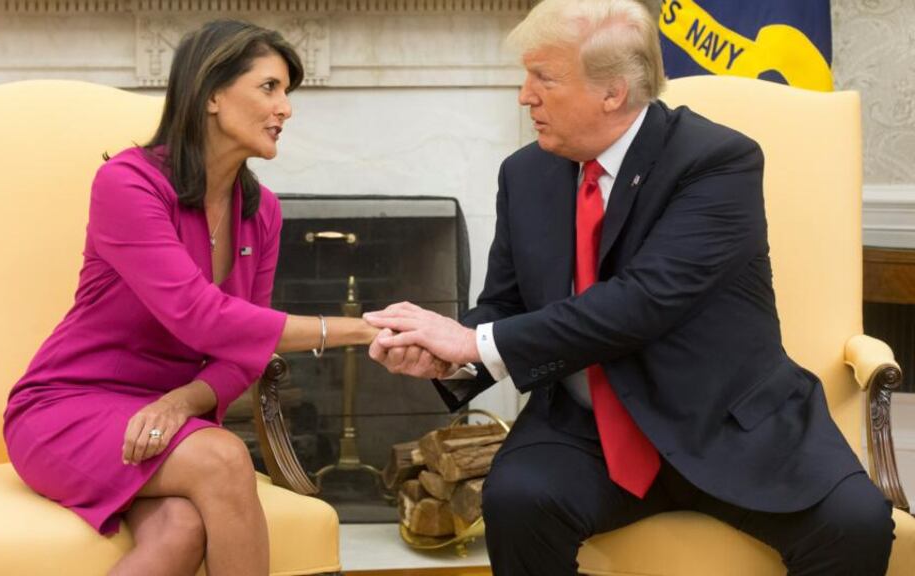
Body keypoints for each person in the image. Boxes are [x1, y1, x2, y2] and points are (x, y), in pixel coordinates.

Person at [364, 1, 895, 574]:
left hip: (727, 424)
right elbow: (505, 305)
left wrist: (472, 343)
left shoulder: (716, 160)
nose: (524, 95)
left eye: (543, 77)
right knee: (518, 500)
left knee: (856, 524)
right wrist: (452, 358)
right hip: (586, 432)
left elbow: (644, 302)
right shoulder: (527, 173)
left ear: (613, 92)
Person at [3, 20, 379, 576]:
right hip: (66, 408)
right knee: (226, 456)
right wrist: (358, 330)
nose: (287, 108)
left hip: (166, 422)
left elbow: (242, 353)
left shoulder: (262, 211)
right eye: (269, 88)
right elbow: (202, 318)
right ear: (210, 94)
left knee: (180, 533)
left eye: (287, 92)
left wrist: (183, 400)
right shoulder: (127, 183)